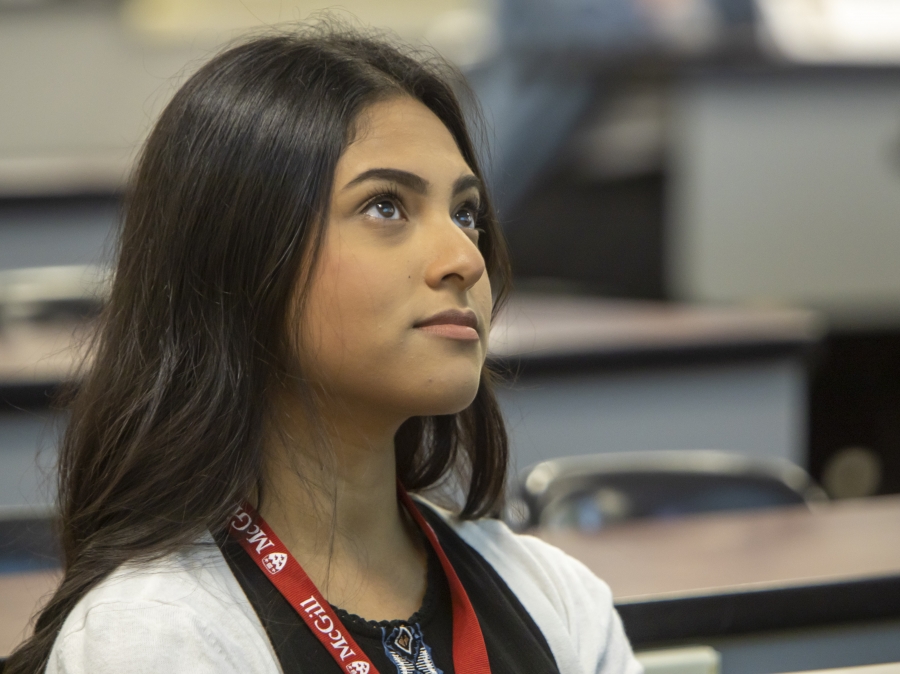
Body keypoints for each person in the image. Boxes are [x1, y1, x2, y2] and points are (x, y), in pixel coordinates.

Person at [6, 25, 642, 674]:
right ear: (242, 260)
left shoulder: (554, 599)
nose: (463, 259)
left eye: (466, 214)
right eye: (386, 207)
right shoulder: (159, 635)